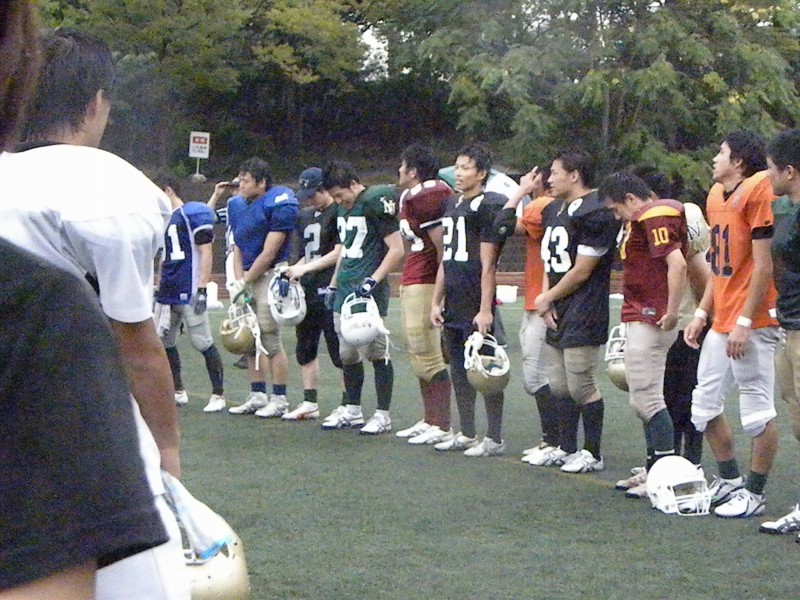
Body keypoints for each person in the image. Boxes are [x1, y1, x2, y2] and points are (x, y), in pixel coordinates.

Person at [0, 29, 189, 598]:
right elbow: (136, 345)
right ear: (96, 102)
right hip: (75, 417)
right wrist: (168, 451)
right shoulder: (111, 185)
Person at [684, 131, 779, 518]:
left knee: (756, 411)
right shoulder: (715, 195)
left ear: (738, 161)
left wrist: (744, 321)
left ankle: (755, 493)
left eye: (720, 153)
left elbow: (763, 265)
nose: (714, 159)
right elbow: (720, 265)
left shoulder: (758, 190)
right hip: (723, 316)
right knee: (703, 407)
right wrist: (702, 312)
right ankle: (730, 480)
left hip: (752, 319)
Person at [613, 167, 711, 497]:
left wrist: (702, 314)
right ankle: (656, 465)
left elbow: (695, 267)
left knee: (680, 398)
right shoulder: (639, 221)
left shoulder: (675, 215)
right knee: (651, 396)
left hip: (680, 319)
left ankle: (688, 465)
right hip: (655, 316)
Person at [599, 171, 688, 496]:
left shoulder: (654, 213)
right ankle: (654, 468)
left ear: (631, 198)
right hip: (643, 312)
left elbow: (677, 264)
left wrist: (672, 310)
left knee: (648, 400)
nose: (616, 216)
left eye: (615, 209)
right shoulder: (644, 218)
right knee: (642, 400)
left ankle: (664, 474)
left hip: (651, 316)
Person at [532, 149, 619, 473]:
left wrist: (548, 297)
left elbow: (582, 270)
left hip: (585, 304)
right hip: (558, 303)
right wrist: (546, 298)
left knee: (580, 383)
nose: (549, 179)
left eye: (555, 173)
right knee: (558, 384)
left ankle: (592, 452)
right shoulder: (553, 208)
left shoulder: (596, 211)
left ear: (574, 175)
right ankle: (565, 447)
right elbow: (549, 262)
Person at [430, 143, 508, 457]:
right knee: (459, 372)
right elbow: (446, 258)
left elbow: (489, 264)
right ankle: (466, 432)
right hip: (454, 301)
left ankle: (494, 438)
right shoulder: (451, 203)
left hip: (477, 300)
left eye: (466, 168)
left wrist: (486, 308)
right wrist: (436, 300)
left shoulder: (490, 204)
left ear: (482, 173)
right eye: (457, 167)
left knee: (487, 372)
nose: (459, 173)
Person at [320, 160, 404, 434]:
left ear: (354, 184)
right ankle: (353, 409)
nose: (338, 201)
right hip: (345, 288)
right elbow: (345, 250)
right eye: (334, 197)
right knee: (346, 353)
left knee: (376, 351)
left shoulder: (373, 200)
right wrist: (334, 284)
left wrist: (373, 280)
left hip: (368, 291)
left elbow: (396, 249)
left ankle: (383, 414)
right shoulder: (342, 209)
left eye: (340, 194)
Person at [493, 165, 560, 463]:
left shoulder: (541, 204)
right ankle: (558, 440)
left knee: (536, 377)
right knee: (554, 375)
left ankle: (554, 440)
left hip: (541, 300)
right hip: (547, 297)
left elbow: (502, 225)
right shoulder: (560, 208)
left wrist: (521, 191)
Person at [226, 157, 299, 417]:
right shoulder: (237, 206)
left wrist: (245, 281)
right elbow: (237, 246)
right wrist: (239, 281)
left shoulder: (277, 203)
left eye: (246, 181)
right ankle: (257, 394)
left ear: (262, 182)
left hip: (269, 275)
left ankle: (279, 398)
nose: (241, 185)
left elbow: (269, 253)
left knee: (269, 337)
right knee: (248, 338)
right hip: (247, 275)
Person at [393, 144, 455, 445]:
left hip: (427, 278)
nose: (399, 170)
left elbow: (442, 249)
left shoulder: (429, 195)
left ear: (414, 171)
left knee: (428, 353)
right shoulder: (411, 195)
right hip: (414, 276)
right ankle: (430, 419)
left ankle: (442, 423)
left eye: (402, 165)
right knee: (417, 352)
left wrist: (441, 295)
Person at [154, 173, 226, 413]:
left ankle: (218, 394)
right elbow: (164, 257)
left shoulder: (189, 213)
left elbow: (205, 251)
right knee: (165, 341)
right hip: (169, 288)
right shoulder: (166, 219)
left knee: (201, 341)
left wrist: (202, 287)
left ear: (168, 191)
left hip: (189, 287)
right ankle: (178, 390)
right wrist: (159, 285)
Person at [759, 129, 800, 533]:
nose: (767, 176)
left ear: (790, 170)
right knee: (797, 420)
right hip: (788, 321)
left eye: (771, 168)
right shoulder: (783, 207)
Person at [282, 166, 345, 420]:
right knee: (305, 346)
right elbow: (304, 254)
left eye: (313, 194)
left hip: (329, 286)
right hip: (307, 289)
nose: (310, 200)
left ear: (324, 189)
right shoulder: (304, 216)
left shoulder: (339, 212)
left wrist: (306, 268)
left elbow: (339, 252)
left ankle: (348, 402)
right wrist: (291, 270)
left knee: (338, 349)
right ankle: (310, 401)